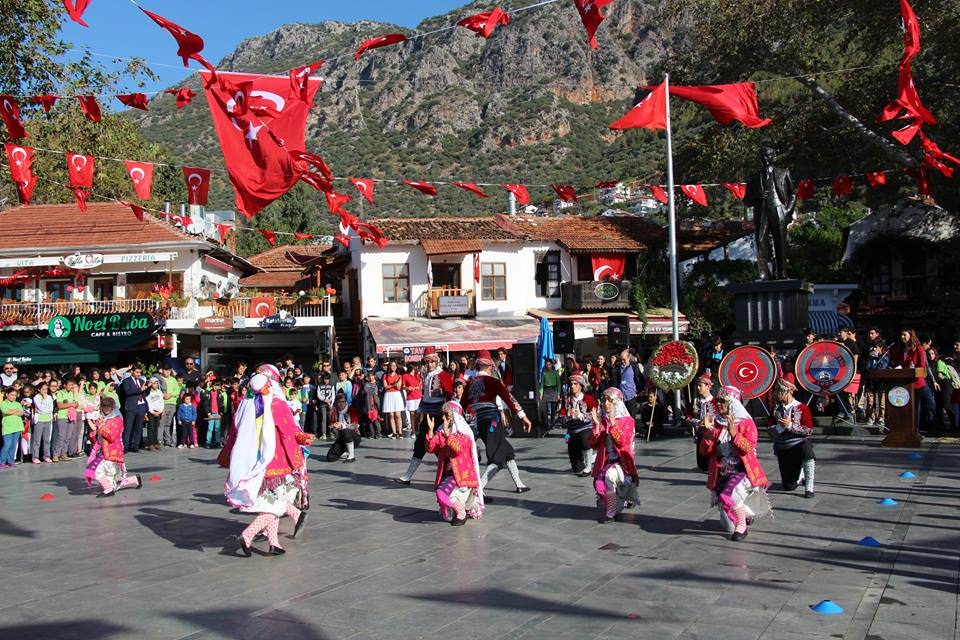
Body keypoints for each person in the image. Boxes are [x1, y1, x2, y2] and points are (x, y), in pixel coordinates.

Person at [225, 371, 313, 557]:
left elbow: (234, 433)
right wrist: (304, 438)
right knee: (276, 507)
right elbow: (289, 430)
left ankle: (274, 543)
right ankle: (247, 535)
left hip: (256, 462)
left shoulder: (245, 403)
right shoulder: (276, 404)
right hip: (277, 461)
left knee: (272, 503)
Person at [699, 386, 771, 541]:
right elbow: (705, 452)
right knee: (727, 525)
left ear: (732, 403)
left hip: (742, 470)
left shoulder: (746, 423)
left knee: (730, 494)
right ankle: (743, 515)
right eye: (718, 401)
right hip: (722, 472)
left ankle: (742, 527)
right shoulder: (717, 422)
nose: (718, 404)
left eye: (723, 401)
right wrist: (708, 431)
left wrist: (734, 434)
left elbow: (748, 448)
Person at [462, 350, 533, 494]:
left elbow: (461, 405)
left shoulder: (470, 384)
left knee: (507, 452)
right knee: (497, 459)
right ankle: (478, 490)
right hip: (493, 422)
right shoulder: (493, 381)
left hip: (480, 422)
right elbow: (509, 398)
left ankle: (519, 484)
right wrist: (523, 416)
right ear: (489, 367)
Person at [425, 401, 485, 525]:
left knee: (443, 494)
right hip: (448, 474)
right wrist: (430, 431)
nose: (443, 418)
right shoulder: (441, 431)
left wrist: (448, 434)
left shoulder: (465, 433)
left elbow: (457, 449)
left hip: (462, 476)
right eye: (443, 414)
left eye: (446, 415)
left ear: (454, 416)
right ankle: (462, 509)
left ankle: (461, 513)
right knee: (442, 497)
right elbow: (430, 448)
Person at [396, 347, 450, 484]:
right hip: (427, 415)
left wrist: (448, 416)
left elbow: (449, 394)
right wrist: (421, 410)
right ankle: (408, 475)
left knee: (442, 446)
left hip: (440, 415)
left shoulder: (443, 375)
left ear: (436, 361)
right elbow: (425, 396)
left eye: (432, 362)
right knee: (421, 443)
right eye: (427, 362)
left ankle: (450, 475)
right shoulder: (426, 375)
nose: (430, 365)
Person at [744, 146, 796, 280]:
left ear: (774, 156)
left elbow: (793, 195)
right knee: (761, 242)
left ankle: (781, 272)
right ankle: (763, 273)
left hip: (778, 209)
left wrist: (787, 211)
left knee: (780, 242)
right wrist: (757, 196)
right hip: (761, 212)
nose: (765, 159)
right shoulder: (753, 178)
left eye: (767, 155)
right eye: (762, 156)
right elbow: (746, 201)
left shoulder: (783, 173)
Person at [588, 387, 639, 523]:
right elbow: (593, 443)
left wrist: (613, 424)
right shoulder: (602, 420)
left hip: (623, 464)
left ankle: (611, 512)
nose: (606, 404)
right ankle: (619, 501)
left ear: (617, 403)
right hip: (606, 462)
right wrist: (597, 425)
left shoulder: (628, 421)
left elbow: (623, 442)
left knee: (609, 477)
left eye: (610, 401)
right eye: (604, 401)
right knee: (599, 483)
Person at [768, 374, 816, 498]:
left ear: (788, 391)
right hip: (783, 448)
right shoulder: (775, 409)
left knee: (807, 448)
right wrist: (780, 427)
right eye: (776, 390)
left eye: (779, 390)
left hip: (798, 444)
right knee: (789, 486)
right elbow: (770, 432)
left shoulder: (802, 407)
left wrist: (790, 426)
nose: (776, 393)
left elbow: (809, 430)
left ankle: (809, 487)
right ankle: (799, 475)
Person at [83, 396, 142, 497]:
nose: (106, 409)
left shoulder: (117, 419)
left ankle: (108, 489)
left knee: (95, 470)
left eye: (108, 406)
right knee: (112, 481)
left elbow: (112, 437)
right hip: (102, 452)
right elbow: (96, 438)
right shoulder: (102, 419)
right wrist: (94, 431)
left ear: (112, 407)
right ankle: (134, 480)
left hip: (112, 452)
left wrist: (101, 426)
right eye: (104, 406)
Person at [888, 328, 934, 433]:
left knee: (915, 408)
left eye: (904, 335)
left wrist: (911, 370)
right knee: (905, 408)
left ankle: (914, 431)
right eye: (901, 335)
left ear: (910, 336)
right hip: (903, 384)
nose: (902, 337)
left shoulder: (919, 349)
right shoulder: (901, 350)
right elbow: (897, 363)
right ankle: (904, 430)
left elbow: (922, 367)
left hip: (916, 383)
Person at [561, 374, 597, 476]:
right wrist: (568, 415)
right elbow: (562, 418)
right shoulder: (567, 400)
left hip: (586, 427)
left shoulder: (589, 399)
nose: (572, 386)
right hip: (571, 430)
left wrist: (581, 415)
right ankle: (581, 457)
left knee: (585, 440)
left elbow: (595, 416)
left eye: (575, 384)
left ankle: (589, 466)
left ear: (581, 385)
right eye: (571, 384)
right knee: (576, 468)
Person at [687, 372, 716, 472]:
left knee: (709, 452)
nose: (698, 388)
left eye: (700, 385)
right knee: (701, 457)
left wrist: (708, 423)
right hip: (699, 432)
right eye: (697, 385)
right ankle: (703, 466)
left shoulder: (713, 402)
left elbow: (714, 417)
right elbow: (690, 415)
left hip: (710, 433)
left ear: (708, 386)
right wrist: (693, 420)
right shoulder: (696, 401)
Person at [326, 393, 361, 463]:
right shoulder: (334, 411)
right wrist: (333, 427)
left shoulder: (352, 409)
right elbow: (331, 425)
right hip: (341, 438)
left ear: (346, 402)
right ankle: (345, 452)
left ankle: (351, 456)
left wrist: (342, 426)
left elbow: (355, 425)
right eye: (339, 402)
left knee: (346, 431)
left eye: (343, 402)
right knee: (330, 457)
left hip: (354, 437)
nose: (341, 404)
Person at [120, 366, 148, 453]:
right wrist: (140, 389)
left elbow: (145, 393)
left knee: (139, 427)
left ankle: (135, 445)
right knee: (128, 427)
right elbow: (128, 392)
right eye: (136, 372)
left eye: (139, 373)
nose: (138, 374)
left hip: (141, 406)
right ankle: (125, 446)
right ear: (132, 371)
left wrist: (148, 387)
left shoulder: (141, 381)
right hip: (131, 407)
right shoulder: (126, 381)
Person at [31, 382, 54, 463]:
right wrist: (44, 401)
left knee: (47, 440)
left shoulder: (49, 397)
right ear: (39, 389)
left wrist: (43, 409)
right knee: (37, 440)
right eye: (43, 389)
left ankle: (46, 456)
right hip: (39, 421)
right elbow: (41, 408)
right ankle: (35, 457)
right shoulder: (36, 397)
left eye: (46, 389)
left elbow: (51, 409)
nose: (45, 391)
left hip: (47, 420)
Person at [0, 387, 23, 467]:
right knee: (7, 444)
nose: (14, 397)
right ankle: (2, 461)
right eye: (12, 395)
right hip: (8, 427)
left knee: (13, 445)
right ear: (7, 394)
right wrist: (15, 411)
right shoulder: (3, 403)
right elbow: (5, 411)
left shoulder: (18, 404)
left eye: (15, 395)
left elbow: (21, 413)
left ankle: (11, 461)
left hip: (17, 427)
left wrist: (12, 411)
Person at [381, 360, 404, 439]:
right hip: (389, 395)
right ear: (389, 367)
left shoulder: (399, 376)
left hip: (396, 395)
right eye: (392, 366)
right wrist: (393, 384)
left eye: (395, 366)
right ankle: (394, 432)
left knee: (398, 415)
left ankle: (400, 432)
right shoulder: (385, 376)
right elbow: (385, 387)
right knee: (391, 415)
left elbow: (398, 387)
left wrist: (392, 385)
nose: (393, 367)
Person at [539, 358, 561, 432]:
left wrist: (558, 394)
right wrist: (541, 393)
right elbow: (542, 384)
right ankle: (546, 423)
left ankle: (552, 423)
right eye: (546, 364)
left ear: (552, 365)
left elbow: (559, 384)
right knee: (545, 409)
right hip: (546, 391)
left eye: (549, 364)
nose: (547, 366)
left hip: (554, 390)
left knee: (553, 409)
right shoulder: (544, 373)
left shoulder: (555, 373)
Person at [145, 378, 165, 451]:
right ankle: (150, 443)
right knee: (151, 428)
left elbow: (162, 402)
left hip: (158, 412)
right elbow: (148, 403)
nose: (156, 384)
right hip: (151, 412)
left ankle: (155, 442)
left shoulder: (159, 392)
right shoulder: (148, 392)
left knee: (156, 428)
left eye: (157, 383)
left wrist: (160, 411)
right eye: (154, 383)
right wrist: (152, 411)